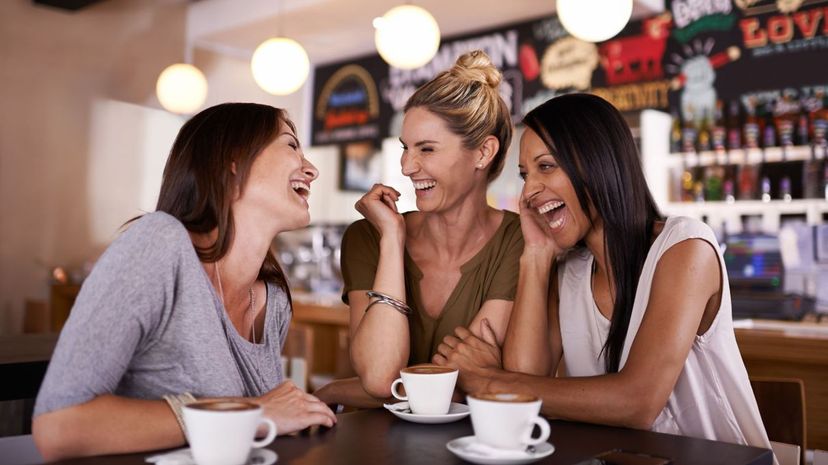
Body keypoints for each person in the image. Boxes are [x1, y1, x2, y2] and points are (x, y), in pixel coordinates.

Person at [433, 93, 772, 450]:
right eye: (524, 175)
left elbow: (636, 402)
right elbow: (529, 383)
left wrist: (489, 380)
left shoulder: (685, 247)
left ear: (598, 163)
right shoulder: (567, 271)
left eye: (546, 166)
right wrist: (535, 255)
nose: (529, 191)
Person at [33, 103, 337, 461]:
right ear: (233, 160)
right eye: (291, 145)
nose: (311, 169)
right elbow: (58, 428)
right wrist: (249, 413)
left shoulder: (272, 298)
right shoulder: (159, 242)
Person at [314, 50, 522, 406]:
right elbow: (382, 376)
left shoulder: (517, 240)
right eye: (405, 148)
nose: (408, 166)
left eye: (426, 149)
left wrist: (335, 390)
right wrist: (392, 239)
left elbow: (467, 384)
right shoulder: (368, 237)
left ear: (483, 153)